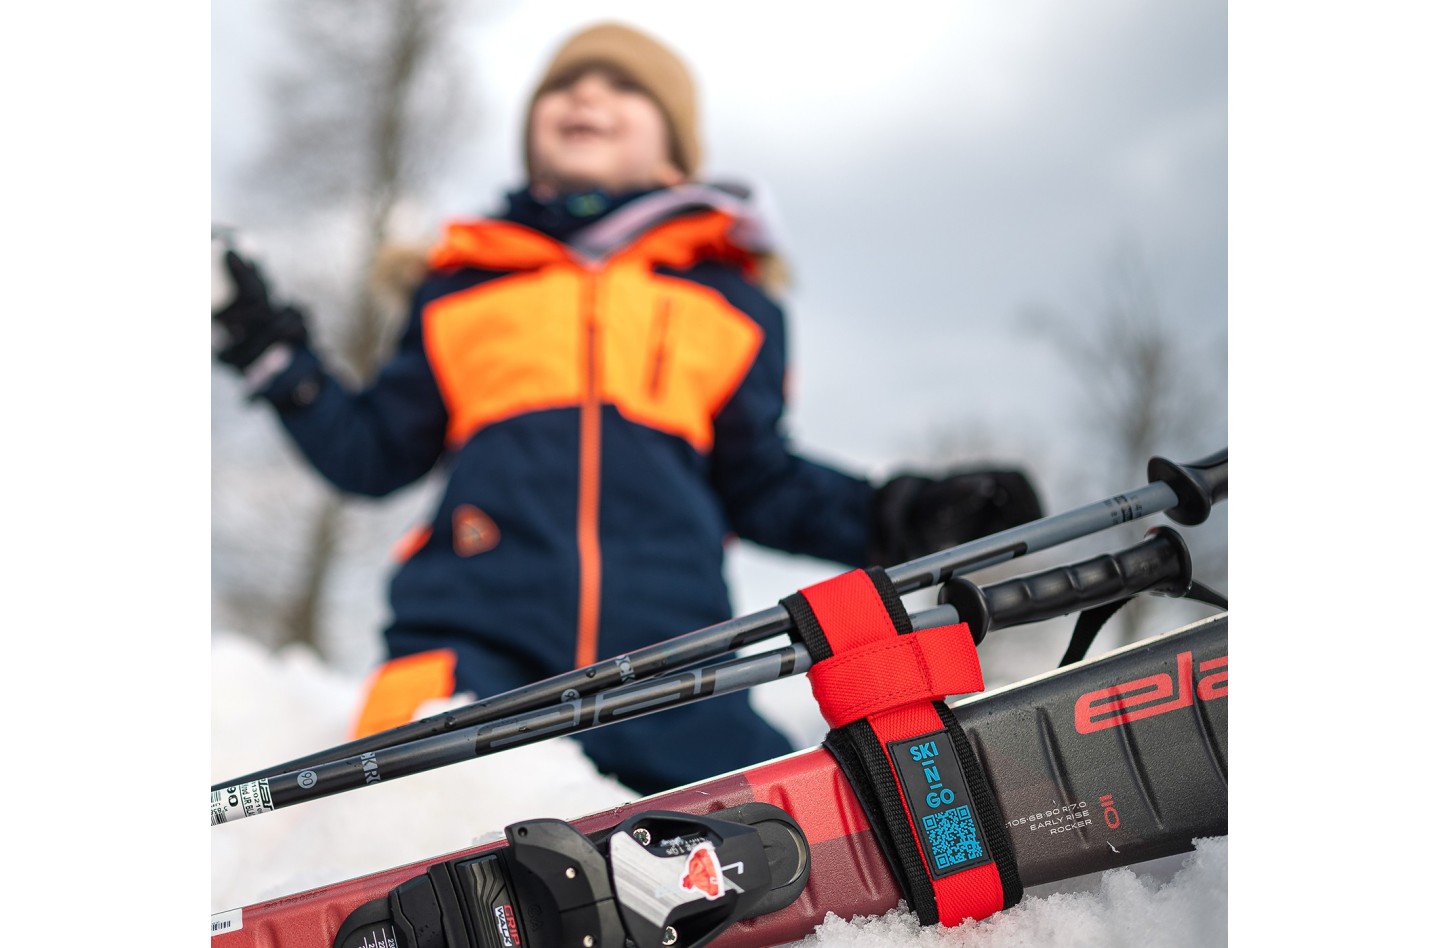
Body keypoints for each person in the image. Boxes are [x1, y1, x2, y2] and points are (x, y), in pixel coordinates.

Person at [211, 21, 1043, 796]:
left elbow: (761, 481)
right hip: (471, 646)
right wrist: (267, 347)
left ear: (675, 154)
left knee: (798, 819)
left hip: (680, 663)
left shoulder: (728, 302)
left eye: (621, 86)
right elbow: (371, 451)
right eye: (565, 84)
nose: (585, 95)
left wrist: (908, 515)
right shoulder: (465, 287)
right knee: (405, 804)